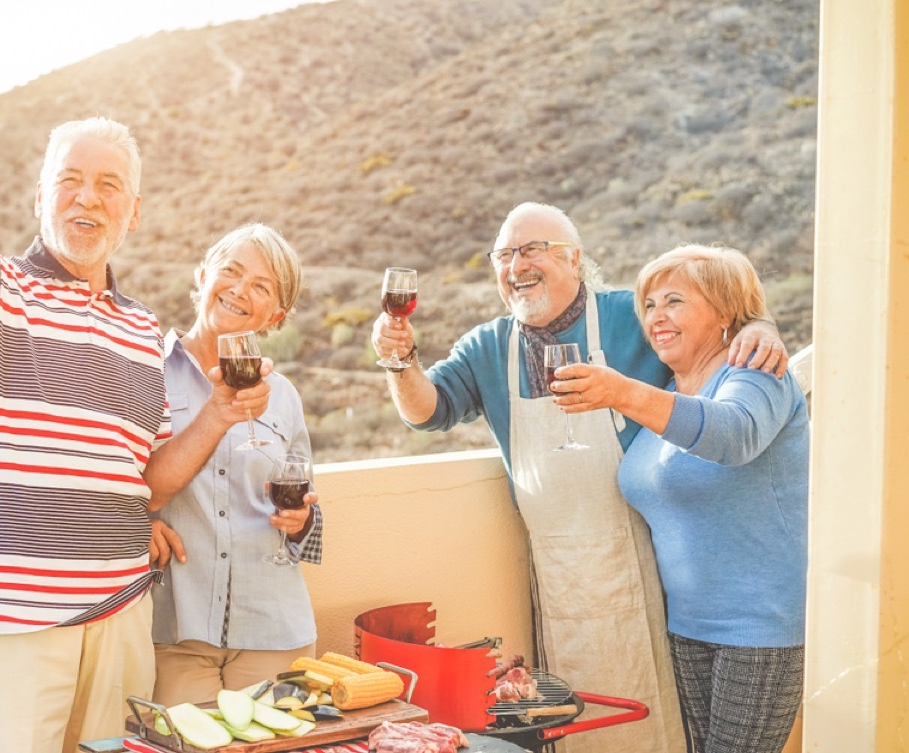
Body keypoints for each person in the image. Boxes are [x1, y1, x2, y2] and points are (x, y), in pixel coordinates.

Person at [0, 72, 237, 753]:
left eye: (109, 185)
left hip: (120, 618)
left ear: (134, 212)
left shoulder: (142, 330)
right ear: (40, 197)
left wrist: (216, 413)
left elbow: (145, 481)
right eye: (69, 180)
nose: (87, 198)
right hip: (1, 629)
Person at [370, 202, 788, 753]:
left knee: (652, 724)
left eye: (532, 249)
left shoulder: (628, 314)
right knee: (577, 725)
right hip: (554, 571)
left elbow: (700, 319)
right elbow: (428, 412)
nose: (516, 264)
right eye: (504, 254)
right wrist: (401, 364)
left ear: (574, 260)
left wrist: (759, 326)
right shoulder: (486, 345)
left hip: (643, 564)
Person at [552, 245, 808, 753]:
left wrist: (622, 392)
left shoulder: (757, 373)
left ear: (724, 314)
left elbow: (733, 436)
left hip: (758, 627)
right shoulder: (668, 390)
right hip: (686, 626)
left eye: (675, 301)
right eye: (650, 305)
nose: (657, 317)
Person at [142, 223, 322, 705]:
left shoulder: (284, 398)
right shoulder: (144, 375)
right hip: (177, 628)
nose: (241, 290)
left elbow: (307, 507)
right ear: (203, 276)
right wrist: (138, 519)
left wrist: (302, 520)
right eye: (231, 272)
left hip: (274, 629)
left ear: (276, 315)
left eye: (261, 287)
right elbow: (112, 478)